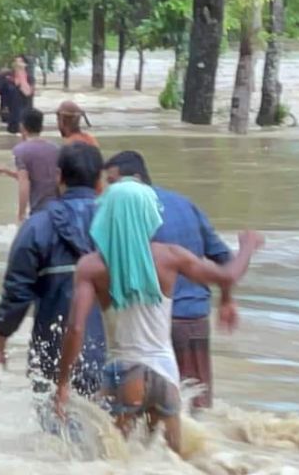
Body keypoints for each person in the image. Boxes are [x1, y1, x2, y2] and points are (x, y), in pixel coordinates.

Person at [54, 179, 263, 454]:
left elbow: (76, 328)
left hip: (124, 374)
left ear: (107, 217)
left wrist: (62, 383)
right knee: (173, 461)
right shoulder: (171, 256)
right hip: (166, 375)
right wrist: (247, 246)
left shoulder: (91, 267)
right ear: (149, 215)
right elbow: (228, 275)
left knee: (112, 461)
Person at [104, 151, 231, 410]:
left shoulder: (127, 214)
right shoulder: (185, 205)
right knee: (196, 407)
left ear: (136, 179)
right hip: (192, 321)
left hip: (146, 328)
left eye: (114, 182)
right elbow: (224, 258)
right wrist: (227, 301)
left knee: (138, 411)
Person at [0, 142, 106, 396]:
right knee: (105, 428)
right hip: (108, 355)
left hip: (52, 351)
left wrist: (1, 340)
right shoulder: (117, 224)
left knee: (54, 427)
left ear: (58, 176)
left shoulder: (37, 226)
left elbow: (16, 292)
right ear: (100, 180)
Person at [0, 109, 60, 222]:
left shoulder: (20, 150)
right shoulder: (55, 148)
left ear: (22, 127)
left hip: (39, 209)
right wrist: (8, 172)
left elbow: (24, 183)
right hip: (59, 207)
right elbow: (42, 177)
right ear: (42, 127)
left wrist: (21, 215)